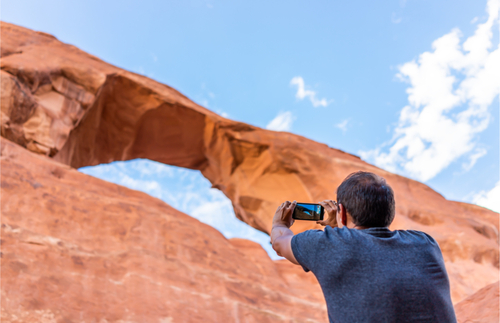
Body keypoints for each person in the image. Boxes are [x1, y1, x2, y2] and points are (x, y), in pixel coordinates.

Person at [271, 171, 456, 323]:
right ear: (389, 213)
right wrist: (340, 224)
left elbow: (280, 243)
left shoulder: (326, 244)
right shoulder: (425, 243)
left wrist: (280, 223)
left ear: (341, 212)